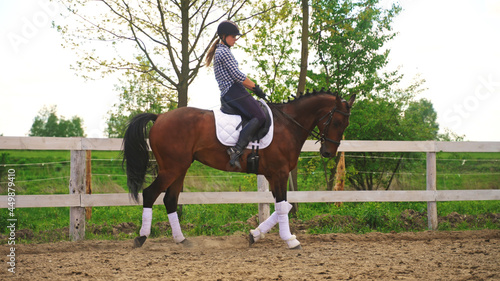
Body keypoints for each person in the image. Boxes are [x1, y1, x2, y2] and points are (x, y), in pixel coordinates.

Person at [205, 20, 267, 169]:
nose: (235, 39)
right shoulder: (223, 52)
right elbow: (237, 75)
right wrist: (255, 88)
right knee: (260, 116)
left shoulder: (223, 50)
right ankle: (237, 149)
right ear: (224, 36)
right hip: (233, 91)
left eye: (236, 36)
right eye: (233, 36)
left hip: (233, 91)